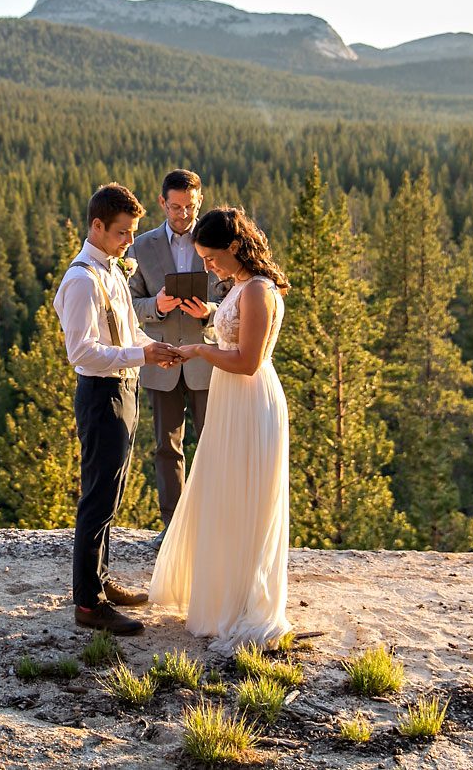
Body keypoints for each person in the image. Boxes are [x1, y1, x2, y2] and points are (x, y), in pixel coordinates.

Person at [148, 206, 294, 650]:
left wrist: (199, 350)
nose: (208, 266)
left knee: (243, 496)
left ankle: (243, 602)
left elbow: (248, 362)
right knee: (222, 491)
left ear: (234, 247)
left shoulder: (258, 292)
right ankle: (222, 594)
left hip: (249, 399)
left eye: (211, 258)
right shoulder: (241, 286)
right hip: (230, 399)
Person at [52, 183, 182, 634]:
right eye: (124, 232)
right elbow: (83, 353)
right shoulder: (82, 280)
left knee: (113, 494)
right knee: (96, 499)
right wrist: (140, 357)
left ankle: (103, 581)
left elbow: (127, 334)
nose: (131, 241)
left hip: (125, 390)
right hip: (100, 395)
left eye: (133, 232)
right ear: (97, 226)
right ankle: (88, 604)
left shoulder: (114, 272)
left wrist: (154, 347)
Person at [126, 169, 228, 534]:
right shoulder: (140, 247)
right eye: (175, 207)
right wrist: (158, 304)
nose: (182, 214)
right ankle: (173, 531)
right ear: (162, 203)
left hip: (206, 360)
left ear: (199, 201)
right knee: (167, 449)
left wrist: (210, 312)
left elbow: (234, 298)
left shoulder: (218, 241)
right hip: (162, 360)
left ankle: (212, 529)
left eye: (189, 207)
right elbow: (128, 305)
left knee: (212, 448)